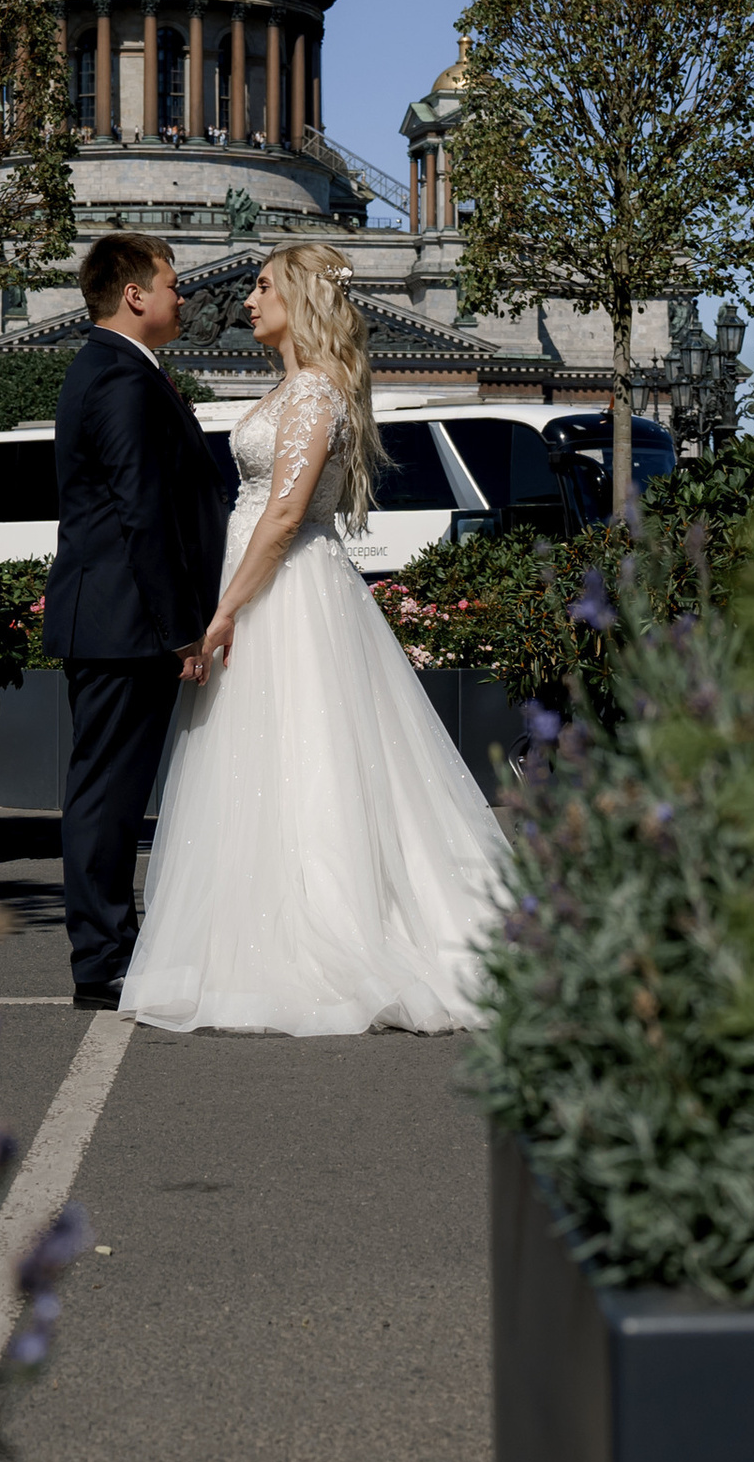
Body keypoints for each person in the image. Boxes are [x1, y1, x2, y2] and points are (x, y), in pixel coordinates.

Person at [121, 241, 510, 1035]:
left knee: (302, 752)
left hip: (286, 592)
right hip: (273, 585)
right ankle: (255, 934)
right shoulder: (296, 388)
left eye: (263, 287)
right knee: (266, 758)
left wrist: (225, 612)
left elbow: (286, 515)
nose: (248, 300)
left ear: (299, 299)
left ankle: (315, 931)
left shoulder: (313, 393)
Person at [41, 233, 230, 1011]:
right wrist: (181, 628)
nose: (183, 298)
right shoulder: (120, 376)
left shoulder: (118, 368)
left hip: (117, 618)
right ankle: (101, 960)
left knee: (112, 793)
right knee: (108, 796)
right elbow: (140, 511)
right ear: (134, 295)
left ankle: (112, 946)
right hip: (122, 623)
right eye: (173, 284)